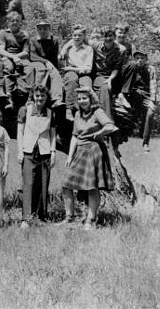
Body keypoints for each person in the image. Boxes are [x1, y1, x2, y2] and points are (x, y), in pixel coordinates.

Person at [60, 86, 118, 230]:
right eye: (79, 99)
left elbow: (110, 126)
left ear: (91, 99)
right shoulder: (78, 114)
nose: (82, 101)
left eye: (84, 98)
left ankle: (90, 220)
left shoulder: (97, 112)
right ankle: (69, 216)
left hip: (94, 151)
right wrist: (69, 156)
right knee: (66, 184)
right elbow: (74, 136)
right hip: (79, 151)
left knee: (92, 188)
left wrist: (99, 133)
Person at [17, 85, 56, 228]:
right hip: (28, 150)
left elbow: (52, 135)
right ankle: (26, 218)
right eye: (37, 96)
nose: (39, 99)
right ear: (33, 96)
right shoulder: (25, 110)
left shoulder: (51, 113)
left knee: (43, 184)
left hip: (44, 151)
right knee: (28, 184)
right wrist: (20, 151)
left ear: (47, 98)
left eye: (42, 96)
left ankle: (41, 216)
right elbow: (20, 132)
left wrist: (53, 153)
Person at [118, 50, 157, 152]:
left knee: (150, 112)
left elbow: (153, 85)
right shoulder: (130, 67)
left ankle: (145, 142)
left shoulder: (150, 69)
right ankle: (121, 136)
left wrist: (152, 100)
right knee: (125, 112)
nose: (139, 60)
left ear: (146, 59)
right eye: (137, 58)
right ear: (134, 59)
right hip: (132, 95)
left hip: (145, 96)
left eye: (142, 58)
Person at [86, 28, 124, 120]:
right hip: (100, 76)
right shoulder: (95, 45)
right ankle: (107, 121)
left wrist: (110, 79)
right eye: (105, 36)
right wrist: (64, 50)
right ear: (102, 37)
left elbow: (117, 68)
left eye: (110, 36)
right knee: (105, 88)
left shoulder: (120, 50)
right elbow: (78, 38)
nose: (108, 38)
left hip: (114, 76)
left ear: (114, 37)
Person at [0, 12, 33, 110]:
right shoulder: (3, 33)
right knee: (9, 67)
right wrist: (13, 57)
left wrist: (17, 57)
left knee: (29, 68)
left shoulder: (24, 35)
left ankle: (27, 94)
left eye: (17, 21)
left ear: (20, 22)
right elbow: (1, 50)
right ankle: (9, 97)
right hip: (7, 56)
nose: (14, 23)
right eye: (12, 21)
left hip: (20, 57)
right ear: (8, 22)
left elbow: (26, 51)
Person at [59, 25, 94, 121]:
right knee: (72, 80)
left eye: (79, 35)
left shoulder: (88, 49)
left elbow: (88, 68)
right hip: (70, 71)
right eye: (75, 35)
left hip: (84, 73)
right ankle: (69, 109)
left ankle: (87, 113)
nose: (77, 37)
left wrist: (75, 69)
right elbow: (60, 60)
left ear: (84, 36)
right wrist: (62, 52)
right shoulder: (69, 48)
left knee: (86, 86)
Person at [28, 21, 64, 108]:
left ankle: (57, 99)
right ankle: (36, 96)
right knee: (41, 70)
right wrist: (45, 62)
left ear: (49, 29)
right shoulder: (33, 40)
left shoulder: (54, 40)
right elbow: (33, 56)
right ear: (37, 30)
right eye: (40, 29)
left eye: (45, 29)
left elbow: (54, 56)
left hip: (50, 63)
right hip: (37, 62)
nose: (42, 31)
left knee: (55, 74)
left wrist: (54, 68)